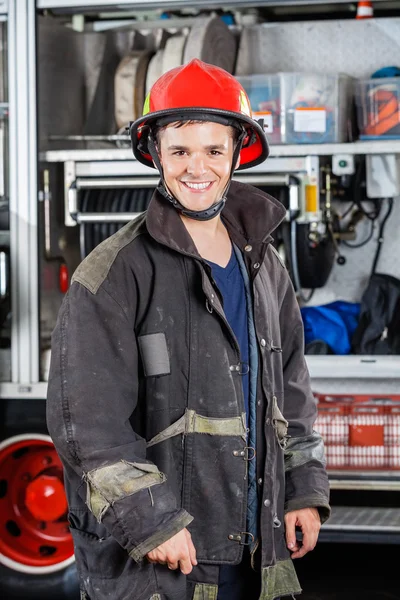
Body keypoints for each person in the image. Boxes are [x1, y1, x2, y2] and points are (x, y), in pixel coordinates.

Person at [47, 59, 330, 600]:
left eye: (213, 150)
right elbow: (86, 421)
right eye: (179, 151)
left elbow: (291, 387)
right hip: (162, 562)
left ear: (236, 154)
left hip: (256, 554)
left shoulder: (263, 264)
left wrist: (303, 490)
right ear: (155, 153)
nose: (196, 167)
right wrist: (151, 518)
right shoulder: (112, 274)